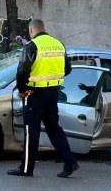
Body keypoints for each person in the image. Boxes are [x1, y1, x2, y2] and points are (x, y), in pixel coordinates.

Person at [7, 19, 79, 178]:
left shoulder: (31, 46)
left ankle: (26, 168)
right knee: (54, 129)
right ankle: (70, 162)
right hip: (53, 93)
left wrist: (22, 89)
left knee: (31, 131)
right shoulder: (58, 44)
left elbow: (21, 71)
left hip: (33, 94)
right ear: (43, 29)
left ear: (32, 31)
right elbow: (67, 69)